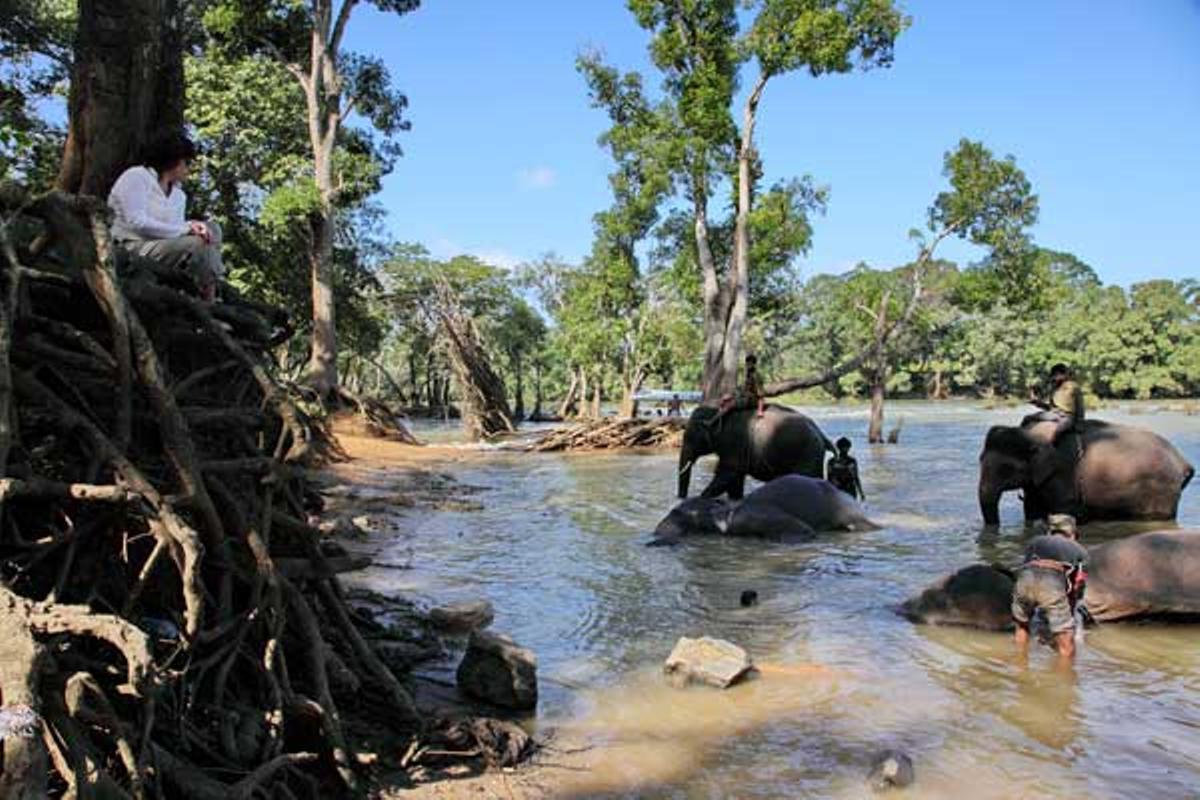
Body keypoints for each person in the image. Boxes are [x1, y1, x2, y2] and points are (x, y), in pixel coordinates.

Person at [108, 130, 224, 301]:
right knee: (197, 244)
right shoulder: (137, 177)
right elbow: (136, 222)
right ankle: (210, 298)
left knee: (212, 229)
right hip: (131, 246)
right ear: (173, 161)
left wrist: (192, 227)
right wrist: (186, 229)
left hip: (162, 247)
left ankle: (210, 287)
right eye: (186, 163)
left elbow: (173, 229)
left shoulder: (179, 195)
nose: (189, 169)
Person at [1012, 514, 1089, 661]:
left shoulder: (1034, 541)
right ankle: (1065, 672)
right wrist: (1070, 613)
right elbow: (1078, 584)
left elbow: (1023, 567)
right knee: (1066, 642)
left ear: (1049, 531)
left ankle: (1020, 666)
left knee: (1022, 625)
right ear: (1073, 534)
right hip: (1051, 583)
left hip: (1024, 581)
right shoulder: (1078, 549)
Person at [1029, 363, 1085, 442]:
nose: (1056, 377)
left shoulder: (1074, 386)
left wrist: (1079, 423)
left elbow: (1080, 406)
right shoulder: (1054, 388)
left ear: (1065, 374)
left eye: (1058, 374)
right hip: (1053, 414)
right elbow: (1051, 407)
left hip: (1067, 417)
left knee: (1055, 434)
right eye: (1054, 375)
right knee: (1028, 418)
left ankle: (1050, 447)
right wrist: (1038, 403)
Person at [711, 354, 765, 427]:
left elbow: (761, 394)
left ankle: (711, 422)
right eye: (747, 363)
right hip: (744, 396)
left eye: (751, 363)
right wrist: (731, 395)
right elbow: (742, 388)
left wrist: (760, 410)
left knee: (729, 405)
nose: (748, 365)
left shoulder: (756, 376)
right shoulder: (748, 375)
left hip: (751, 399)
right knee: (723, 400)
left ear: (754, 364)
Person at [826, 437, 865, 501]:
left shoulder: (832, 461)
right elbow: (829, 478)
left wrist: (861, 492)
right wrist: (861, 493)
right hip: (846, 490)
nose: (846, 449)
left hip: (841, 490)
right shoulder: (851, 461)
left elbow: (829, 479)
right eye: (845, 447)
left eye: (847, 447)